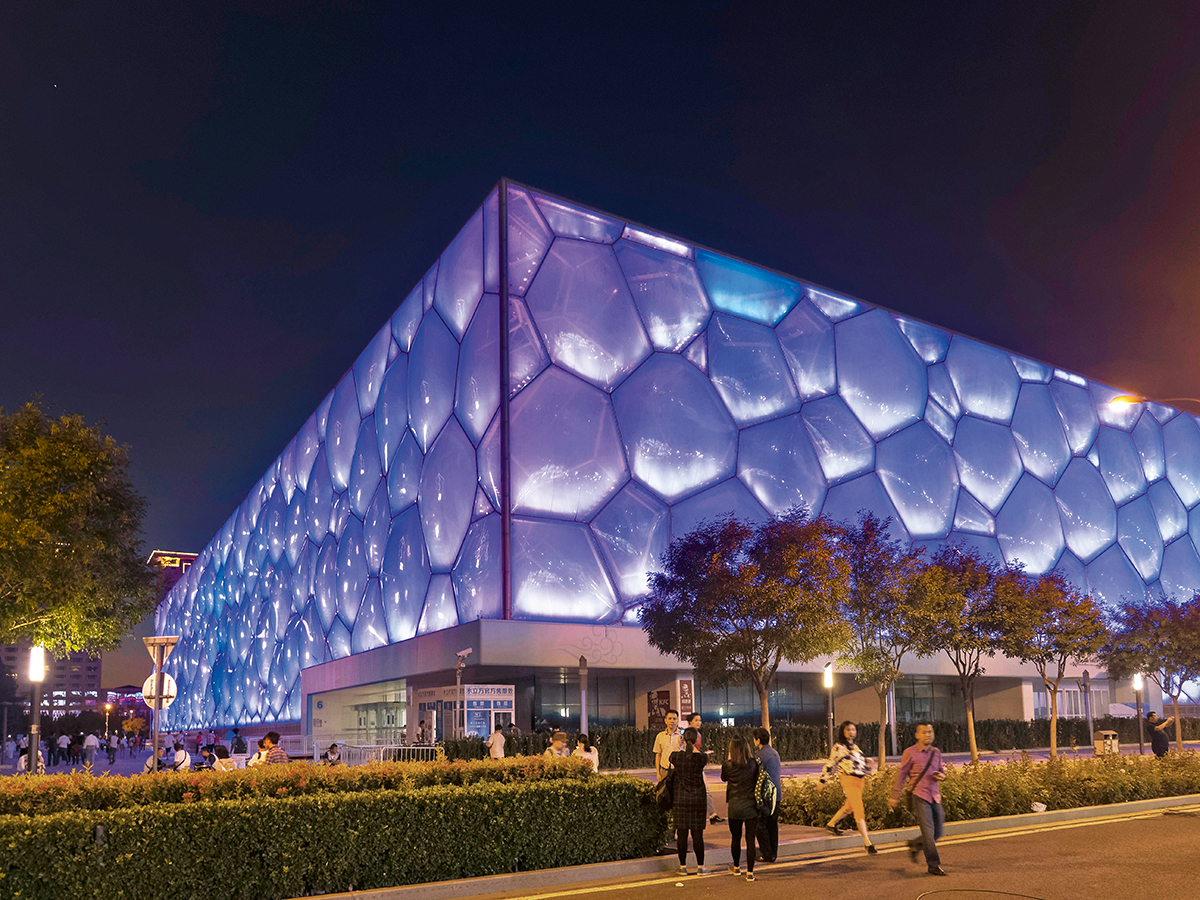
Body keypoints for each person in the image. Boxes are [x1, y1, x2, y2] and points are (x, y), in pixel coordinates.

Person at [890, 722, 948, 877]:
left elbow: (942, 771)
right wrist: (895, 794)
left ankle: (914, 844)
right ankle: (933, 865)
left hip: (935, 797)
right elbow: (902, 774)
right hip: (919, 795)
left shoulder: (936, 752)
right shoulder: (910, 752)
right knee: (928, 833)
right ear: (917, 735)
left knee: (938, 832)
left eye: (930, 731)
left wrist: (941, 776)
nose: (928, 734)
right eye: (924, 732)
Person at [819, 721, 877, 854]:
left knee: (850, 806)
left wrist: (867, 761)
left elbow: (857, 760)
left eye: (853, 729)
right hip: (848, 780)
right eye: (848, 729)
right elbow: (830, 763)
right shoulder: (839, 747)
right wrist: (822, 780)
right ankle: (867, 843)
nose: (851, 732)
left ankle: (831, 824)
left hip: (859, 781)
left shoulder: (855, 747)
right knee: (858, 809)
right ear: (843, 732)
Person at [668, 726, 709, 875]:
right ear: (696, 740)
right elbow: (697, 754)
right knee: (698, 835)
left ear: (683, 739)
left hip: (680, 800)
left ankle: (682, 867)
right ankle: (700, 867)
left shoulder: (677, 757)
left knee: (682, 834)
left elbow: (671, 756)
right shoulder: (702, 758)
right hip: (698, 800)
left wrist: (679, 744)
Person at [721, 735, 760, 881]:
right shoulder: (753, 764)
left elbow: (724, 778)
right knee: (750, 840)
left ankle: (736, 867)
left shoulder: (728, 765)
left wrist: (729, 759)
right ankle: (750, 872)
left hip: (734, 806)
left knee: (735, 838)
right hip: (751, 806)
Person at [753, 727, 782, 862]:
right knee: (773, 825)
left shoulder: (759, 755)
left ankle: (766, 853)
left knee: (761, 825)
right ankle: (773, 853)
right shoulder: (775, 753)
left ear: (758, 740)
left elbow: (756, 775)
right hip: (777, 794)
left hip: (765, 796)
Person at [687, 712, 721, 824]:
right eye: (696, 720)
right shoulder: (686, 734)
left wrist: (702, 755)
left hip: (697, 766)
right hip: (690, 767)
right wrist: (703, 755)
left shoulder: (699, 735)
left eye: (700, 720)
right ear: (690, 722)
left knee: (706, 790)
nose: (699, 722)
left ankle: (712, 814)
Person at [653, 709, 682, 781]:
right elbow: (658, 755)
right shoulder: (660, 736)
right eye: (670, 718)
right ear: (665, 720)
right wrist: (658, 773)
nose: (672, 721)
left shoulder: (682, 735)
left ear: (678, 720)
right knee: (664, 792)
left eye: (674, 719)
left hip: (679, 771)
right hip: (664, 771)